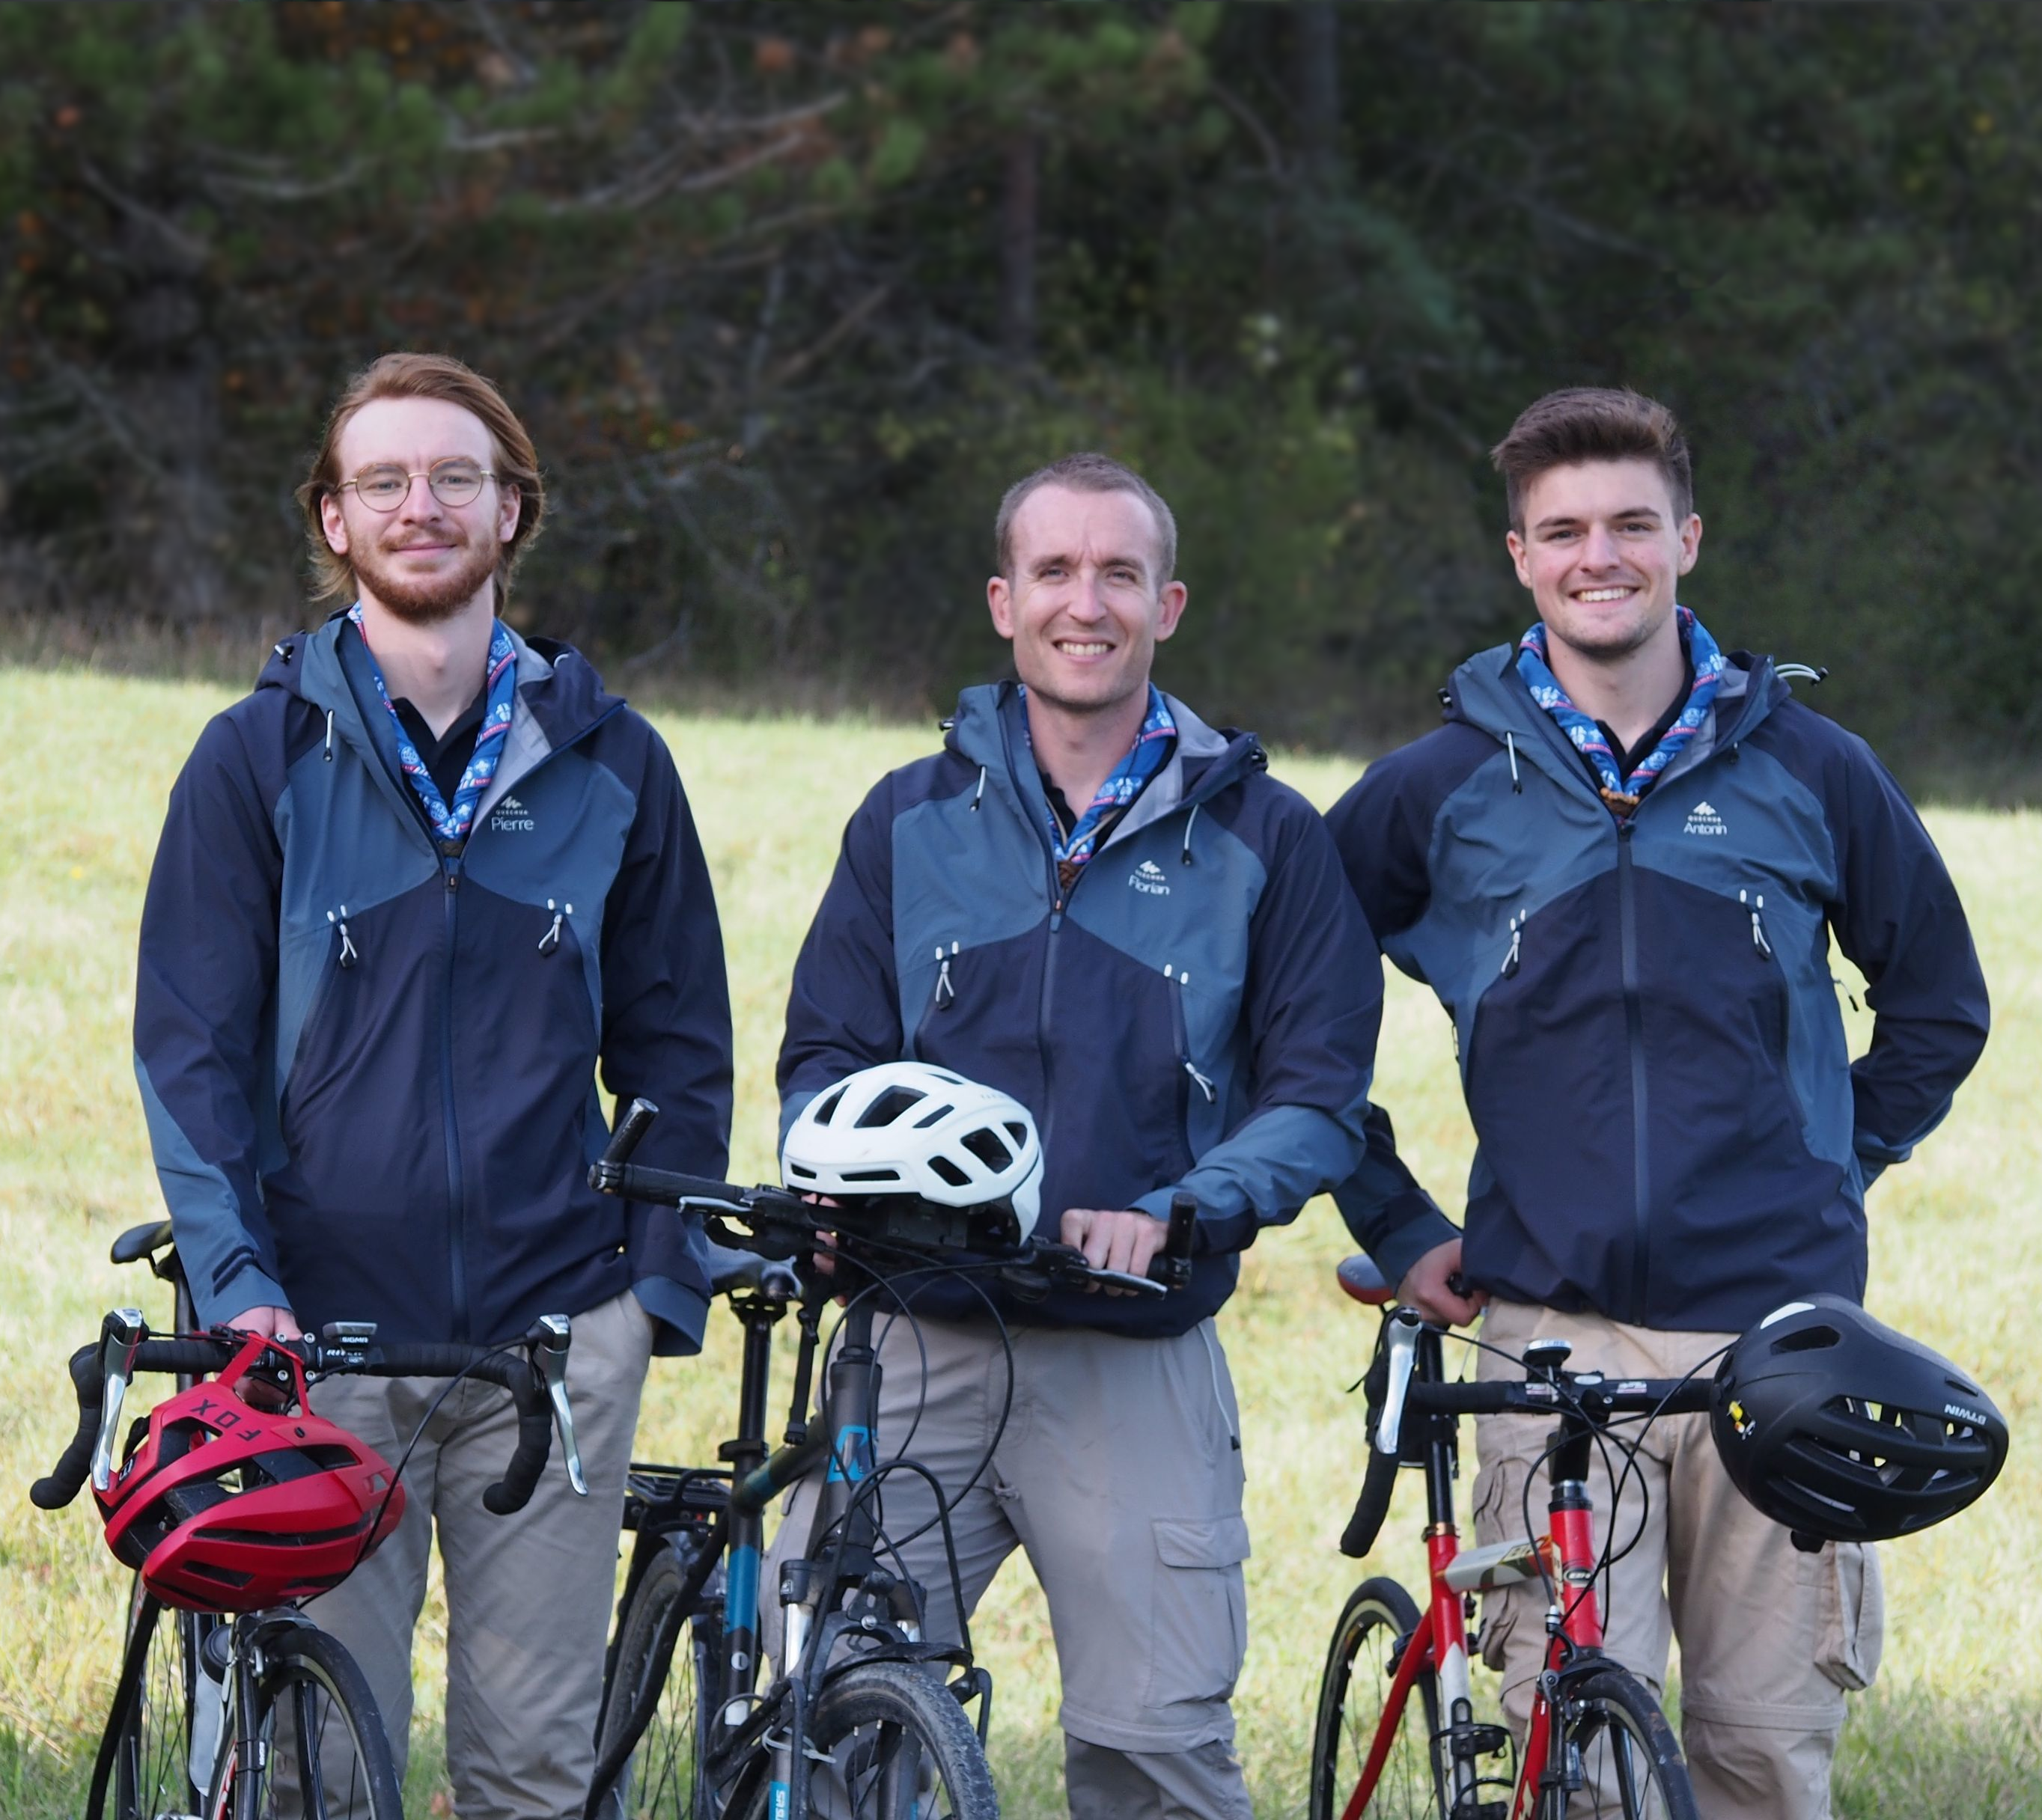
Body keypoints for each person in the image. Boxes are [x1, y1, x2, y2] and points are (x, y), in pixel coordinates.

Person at [1326, 387, 1989, 1819]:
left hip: (1781, 1336)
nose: (1598, 555)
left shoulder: (1816, 767)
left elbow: (1941, 1002)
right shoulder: (1438, 786)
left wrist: (1830, 1160)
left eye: (1632, 523)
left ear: (1686, 537)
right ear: (1521, 557)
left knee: (1762, 1756)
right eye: (1562, 531)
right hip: (1548, 1327)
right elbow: (1286, 1010)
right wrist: (1388, 1210)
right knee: (1577, 1764)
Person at [132, 352, 733, 1819]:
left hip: (552, 1352)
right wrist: (235, 1279)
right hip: (314, 1346)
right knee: (322, 1774)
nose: (420, 506)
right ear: (331, 520)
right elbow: (190, 1053)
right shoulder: (253, 758)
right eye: (382, 480)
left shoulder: (615, 763)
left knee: (531, 1771)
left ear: (512, 510)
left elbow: (679, 1048)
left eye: (454, 477)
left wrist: (647, 1295)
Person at [769, 451, 1383, 1819]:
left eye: (1120, 573)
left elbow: (1319, 1098)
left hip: (1130, 1348)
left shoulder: (1267, 838)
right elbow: (823, 1057)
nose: (1085, 602)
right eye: (1054, 570)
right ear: (1004, 600)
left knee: (1153, 1750)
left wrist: (1179, 1206)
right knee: (827, 1720)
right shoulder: (906, 821)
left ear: (1171, 604)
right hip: (915, 1338)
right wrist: (828, 1176)